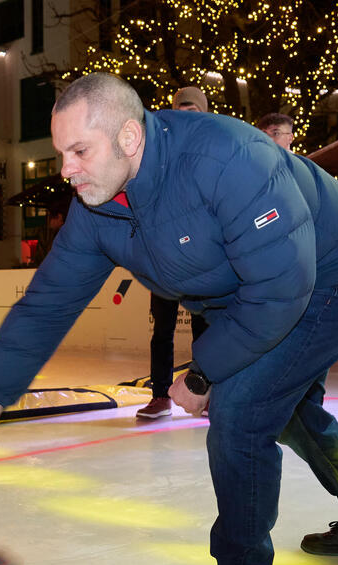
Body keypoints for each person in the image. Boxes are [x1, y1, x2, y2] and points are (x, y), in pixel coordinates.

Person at [0, 73, 338, 565]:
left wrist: (202, 371)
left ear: (129, 138)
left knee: (241, 413)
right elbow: (47, 303)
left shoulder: (227, 159)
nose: (65, 169)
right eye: (60, 153)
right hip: (256, 289)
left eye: (78, 151)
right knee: (281, 408)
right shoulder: (98, 207)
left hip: (332, 278)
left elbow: (281, 289)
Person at [138, 86, 211, 419]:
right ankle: (160, 395)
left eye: (191, 112)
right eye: (178, 112)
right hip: (164, 258)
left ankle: (208, 393)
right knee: (162, 329)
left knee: (205, 328)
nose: (183, 120)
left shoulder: (213, 151)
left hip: (201, 258)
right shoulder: (159, 154)